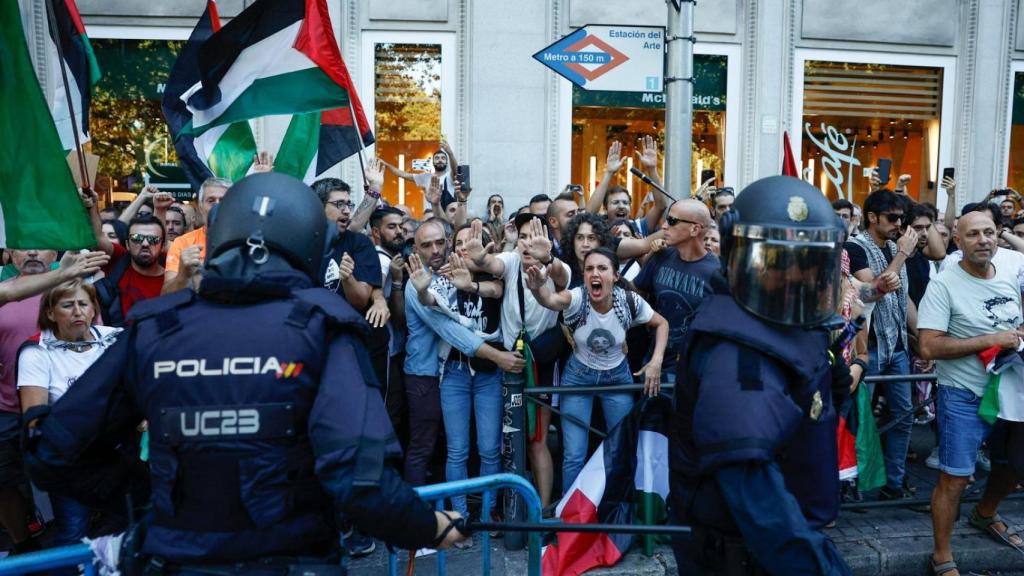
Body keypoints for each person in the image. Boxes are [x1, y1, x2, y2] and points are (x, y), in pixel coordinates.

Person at [23, 173, 468, 573]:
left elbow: (51, 452)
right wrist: (427, 525)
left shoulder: (156, 329)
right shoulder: (323, 329)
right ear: (313, 246)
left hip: (178, 557)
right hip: (291, 558)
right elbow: (362, 482)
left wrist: (152, 498)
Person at [669, 175, 852, 575]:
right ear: (739, 259)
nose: (796, 276)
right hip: (745, 556)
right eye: (777, 262)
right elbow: (756, 492)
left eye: (808, 263)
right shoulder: (737, 356)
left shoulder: (788, 327)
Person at [918, 209, 1024, 576]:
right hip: (963, 394)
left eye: (989, 232)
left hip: (1010, 393)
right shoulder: (943, 284)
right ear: (957, 241)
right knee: (956, 478)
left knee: (1014, 467)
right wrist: (991, 339)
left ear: (998, 236)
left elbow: (1014, 324)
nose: (983, 240)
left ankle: (985, 514)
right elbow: (928, 347)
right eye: (974, 234)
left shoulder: (1008, 276)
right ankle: (942, 556)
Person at [526, 247, 668, 491]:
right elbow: (550, 300)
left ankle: (617, 509)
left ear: (615, 276)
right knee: (574, 455)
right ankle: (570, 513)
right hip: (578, 377)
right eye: (589, 268)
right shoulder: (577, 298)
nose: (595, 273)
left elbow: (662, 323)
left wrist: (656, 362)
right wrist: (538, 288)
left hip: (617, 378)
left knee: (621, 449)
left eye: (602, 268)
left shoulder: (629, 301)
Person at [403, 220, 525, 491]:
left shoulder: (452, 271)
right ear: (416, 249)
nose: (435, 249)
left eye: (440, 242)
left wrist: (504, 248)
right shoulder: (418, 281)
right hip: (427, 373)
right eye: (427, 245)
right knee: (429, 447)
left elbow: (496, 284)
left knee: (486, 449)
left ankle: (484, 509)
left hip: (468, 372)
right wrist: (498, 357)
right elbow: (449, 328)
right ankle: (422, 511)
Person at [0, 250, 107, 555]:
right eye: (24, 245)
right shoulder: (4, 292)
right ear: (9, 253)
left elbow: (95, 345)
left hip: (65, 415)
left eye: (41, 244)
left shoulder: (76, 291)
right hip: (6, 408)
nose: (33, 251)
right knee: (3, 480)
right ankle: (23, 542)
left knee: (69, 496)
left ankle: (78, 542)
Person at [464, 214, 570, 508]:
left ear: (548, 242)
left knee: (537, 441)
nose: (527, 244)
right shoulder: (511, 260)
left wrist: (547, 258)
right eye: (523, 237)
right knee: (509, 439)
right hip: (508, 363)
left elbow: (562, 277)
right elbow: (491, 264)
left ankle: (542, 512)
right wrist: (479, 258)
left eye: (534, 238)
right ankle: (509, 508)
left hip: (541, 363)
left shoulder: (556, 267)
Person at [17, 280, 122, 553]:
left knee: (127, 527)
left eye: (83, 304)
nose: (77, 311)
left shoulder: (116, 338)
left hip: (118, 455)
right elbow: (34, 418)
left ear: (94, 310)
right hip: (70, 460)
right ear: (50, 313)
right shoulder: (36, 351)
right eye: (67, 305)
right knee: (73, 533)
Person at [845, 189, 919, 500]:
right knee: (861, 418)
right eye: (892, 218)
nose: (898, 224)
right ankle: (854, 485)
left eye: (901, 218)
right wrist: (902, 255)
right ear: (872, 217)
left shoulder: (892, 247)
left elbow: (904, 298)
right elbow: (873, 291)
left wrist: (921, 337)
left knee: (904, 416)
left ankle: (894, 483)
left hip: (897, 346)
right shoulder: (855, 247)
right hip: (869, 346)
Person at [633, 199, 721, 382]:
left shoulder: (717, 273)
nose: (664, 226)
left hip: (691, 370)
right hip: (652, 360)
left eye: (672, 221)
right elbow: (636, 293)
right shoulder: (661, 255)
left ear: (695, 229)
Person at [81, 188, 167, 325]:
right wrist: (92, 206)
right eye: (137, 238)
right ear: (127, 244)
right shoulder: (118, 261)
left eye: (153, 239)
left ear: (162, 246)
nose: (145, 244)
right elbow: (98, 237)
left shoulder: (173, 275)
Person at [314, 177, 381, 311]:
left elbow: (361, 301)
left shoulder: (359, 243)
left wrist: (348, 278)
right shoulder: (301, 242)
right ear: (318, 206)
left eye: (348, 205)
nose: (346, 211)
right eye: (339, 204)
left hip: (345, 321)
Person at [162, 177, 232, 294]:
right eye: (211, 201)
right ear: (200, 207)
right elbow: (165, 295)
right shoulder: (183, 243)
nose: (217, 206)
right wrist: (183, 274)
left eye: (223, 200)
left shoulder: (246, 240)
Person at [586, 137, 667, 237]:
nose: (621, 206)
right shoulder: (599, 228)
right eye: (615, 202)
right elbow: (588, 215)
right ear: (606, 208)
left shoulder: (639, 227)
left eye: (625, 203)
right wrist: (609, 173)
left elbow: (661, 206)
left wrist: (652, 169)